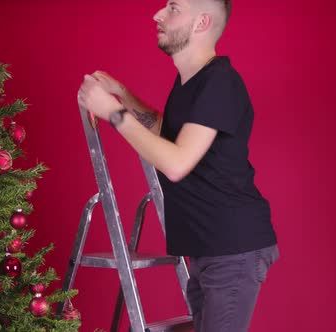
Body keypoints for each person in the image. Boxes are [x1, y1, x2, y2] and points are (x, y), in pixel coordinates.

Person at [77, 0, 279, 331]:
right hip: (209, 249)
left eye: (173, 7)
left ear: (201, 22)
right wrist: (122, 94)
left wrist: (112, 113)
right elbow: (167, 133)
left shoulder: (220, 82)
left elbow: (177, 163)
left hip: (231, 248)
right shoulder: (194, 82)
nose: (158, 14)